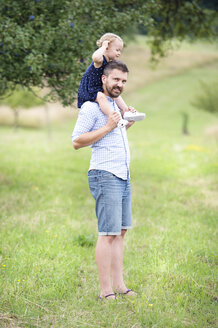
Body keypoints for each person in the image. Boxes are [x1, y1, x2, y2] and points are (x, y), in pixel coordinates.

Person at [72, 60, 137, 300]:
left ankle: (119, 286)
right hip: (104, 174)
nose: (120, 84)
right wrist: (109, 126)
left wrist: (125, 122)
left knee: (120, 232)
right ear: (104, 79)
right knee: (107, 233)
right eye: (116, 79)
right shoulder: (91, 107)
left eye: (123, 81)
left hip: (123, 174)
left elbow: (113, 132)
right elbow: (77, 141)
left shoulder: (113, 107)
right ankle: (104, 290)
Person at [77, 32, 145, 128]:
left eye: (120, 50)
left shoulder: (109, 63)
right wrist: (103, 46)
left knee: (114, 91)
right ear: (107, 47)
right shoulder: (100, 60)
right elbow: (95, 57)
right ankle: (113, 117)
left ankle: (126, 112)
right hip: (89, 90)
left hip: (98, 89)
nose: (119, 53)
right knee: (101, 97)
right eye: (117, 50)